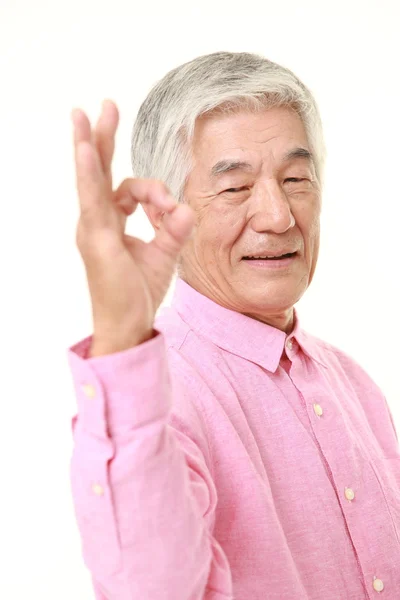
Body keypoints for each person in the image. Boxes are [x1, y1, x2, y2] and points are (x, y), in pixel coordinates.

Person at [67, 52, 400, 599]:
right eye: (235, 188)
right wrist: (120, 334)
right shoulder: (157, 395)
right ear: (161, 211)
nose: (278, 216)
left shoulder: (354, 382)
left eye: (296, 178)